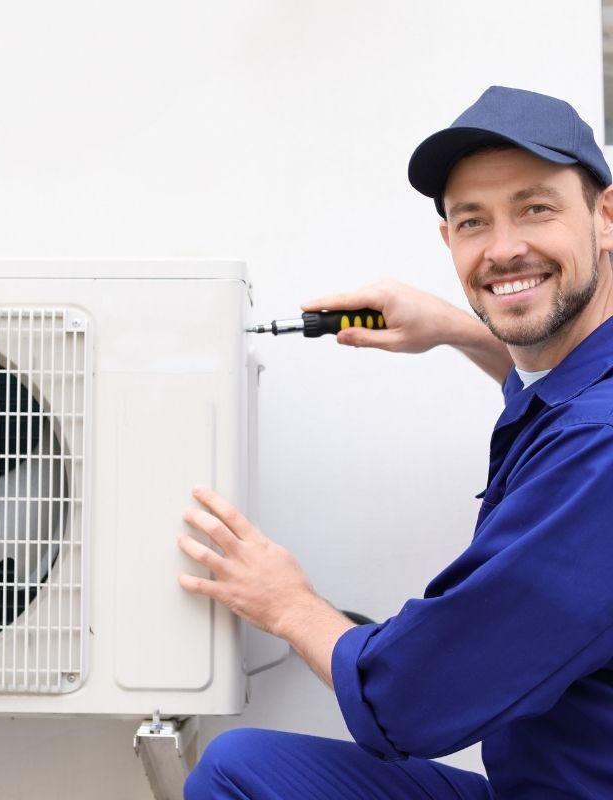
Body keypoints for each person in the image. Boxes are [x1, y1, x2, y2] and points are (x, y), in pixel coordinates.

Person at [178, 86, 613, 799]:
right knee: (241, 766)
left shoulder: (600, 453)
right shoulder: (584, 395)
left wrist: (287, 603)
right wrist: (454, 326)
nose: (504, 249)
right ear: (449, 241)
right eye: (473, 221)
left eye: (536, 208)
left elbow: (412, 703)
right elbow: (558, 385)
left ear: (605, 217)